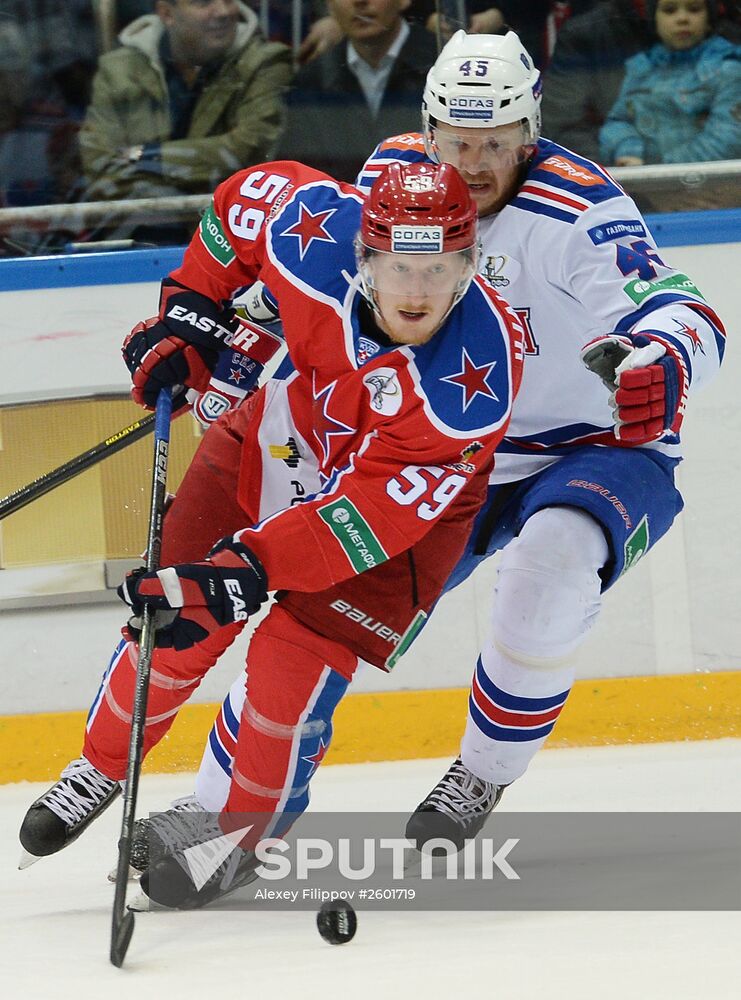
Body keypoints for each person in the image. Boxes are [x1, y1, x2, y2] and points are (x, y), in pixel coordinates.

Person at [172, 28, 726, 853]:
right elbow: (332, 290)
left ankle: (484, 771)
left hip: (592, 446)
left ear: (529, 133)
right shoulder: (390, 180)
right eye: (457, 142)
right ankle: (231, 810)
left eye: (496, 145)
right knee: (317, 619)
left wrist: (662, 359)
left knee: (554, 557)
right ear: (428, 130)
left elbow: (687, 308)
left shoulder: (579, 209)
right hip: (444, 454)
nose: (472, 164)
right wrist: (248, 335)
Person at [18, 158, 525, 908]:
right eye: (396, 266)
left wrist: (247, 567)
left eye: (439, 268)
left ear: (468, 264)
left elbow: (365, 521)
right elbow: (235, 206)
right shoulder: (311, 232)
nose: (416, 291)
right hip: (281, 436)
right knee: (174, 616)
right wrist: (190, 308)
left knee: (288, 676)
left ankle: (240, 836)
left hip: (394, 525)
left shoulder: (468, 384)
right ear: (364, 255)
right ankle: (101, 765)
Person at [78, 0, 293, 202]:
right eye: (203, 2)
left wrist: (144, 155)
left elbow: (246, 151)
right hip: (137, 227)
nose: (223, 11)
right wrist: (196, 172)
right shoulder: (118, 70)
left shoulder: (265, 62)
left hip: (228, 229)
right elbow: (99, 168)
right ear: (166, 13)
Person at [276, 0, 437, 181]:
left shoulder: (444, 65)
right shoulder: (310, 81)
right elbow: (297, 177)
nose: (359, 2)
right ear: (329, 6)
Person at [599, 0, 741, 166]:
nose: (682, 19)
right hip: (643, 184)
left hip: (710, 186)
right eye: (670, 10)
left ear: (709, 19)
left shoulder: (728, 69)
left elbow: (728, 140)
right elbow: (617, 122)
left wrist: (654, 170)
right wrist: (628, 150)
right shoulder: (640, 69)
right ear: (655, 20)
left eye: (694, 10)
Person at [541, 0, 652, 162]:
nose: (682, 18)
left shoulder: (694, 29)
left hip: (691, 170)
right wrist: (605, 175)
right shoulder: (584, 34)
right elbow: (563, 126)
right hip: (610, 171)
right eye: (670, 10)